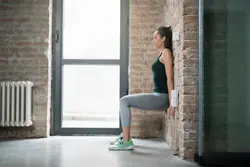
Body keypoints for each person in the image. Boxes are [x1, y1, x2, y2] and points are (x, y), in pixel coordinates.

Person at [109, 26, 175, 151]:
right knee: (125, 100)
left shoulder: (166, 52)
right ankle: (125, 136)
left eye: (155, 38)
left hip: (162, 98)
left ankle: (127, 141)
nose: (153, 40)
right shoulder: (161, 53)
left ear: (163, 39)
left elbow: (170, 79)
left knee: (124, 101)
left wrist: (172, 103)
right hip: (157, 96)